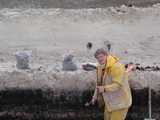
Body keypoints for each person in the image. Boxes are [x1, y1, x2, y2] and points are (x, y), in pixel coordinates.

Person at [87, 48, 132, 120]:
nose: (99, 59)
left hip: (121, 103)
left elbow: (117, 85)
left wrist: (104, 89)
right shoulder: (100, 67)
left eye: (101, 56)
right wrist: (94, 97)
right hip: (110, 103)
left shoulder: (117, 67)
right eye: (97, 58)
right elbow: (98, 83)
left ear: (107, 55)